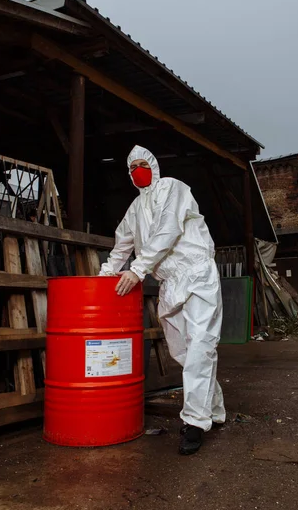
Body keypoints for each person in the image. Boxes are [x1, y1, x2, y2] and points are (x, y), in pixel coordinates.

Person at [100, 145, 225, 455]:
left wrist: (138, 270)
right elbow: (120, 247)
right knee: (183, 351)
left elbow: (168, 229)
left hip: (197, 275)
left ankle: (194, 422)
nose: (138, 171)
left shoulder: (173, 187)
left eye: (143, 164)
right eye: (132, 168)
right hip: (170, 283)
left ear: (153, 166)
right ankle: (216, 410)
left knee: (200, 345)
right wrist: (102, 279)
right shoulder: (134, 209)